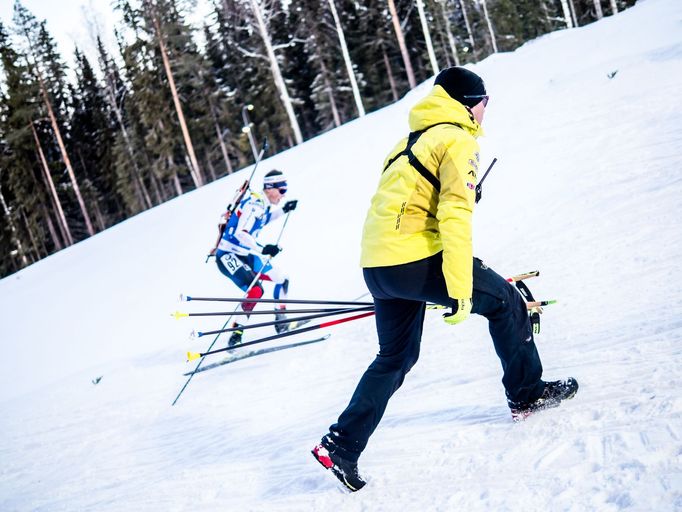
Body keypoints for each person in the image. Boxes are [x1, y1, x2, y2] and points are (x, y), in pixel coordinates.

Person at [311, 67, 578, 492]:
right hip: (415, 259)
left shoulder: (409, 141)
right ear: (469, 104)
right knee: (507, 301)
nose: (486, 110)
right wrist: (459, 289)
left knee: (395, 357)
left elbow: (410, 201)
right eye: (484, 102)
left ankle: (341, 444)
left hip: (378, 265)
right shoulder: (458, 139)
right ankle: (527, 394)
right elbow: (454, 218)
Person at [210, 169, 298, 347]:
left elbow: (262, 220)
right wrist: (263, 248)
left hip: (245, 254)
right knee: (256, 290)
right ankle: (235, 336)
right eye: (282, 190)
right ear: (270, 188)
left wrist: (284, 210)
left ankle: (281, 322)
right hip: (227, 254)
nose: (283, 195)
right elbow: (242, 233)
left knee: (282, 279)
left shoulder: (262, 204)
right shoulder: (255, 204)